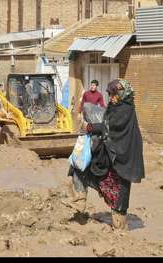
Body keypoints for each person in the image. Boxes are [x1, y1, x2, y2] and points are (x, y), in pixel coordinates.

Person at [63, 79, 145, 231]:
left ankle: (119, 224)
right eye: (111, 94)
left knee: (120, 190)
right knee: (80, 166)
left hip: (123, 157)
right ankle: (80, 200)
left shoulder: (125, 110)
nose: (112, 97)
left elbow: (109, 127)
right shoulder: (115, 107)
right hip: (111, 153)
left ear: (123, 94)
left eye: (115, 94)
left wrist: (91, 127)